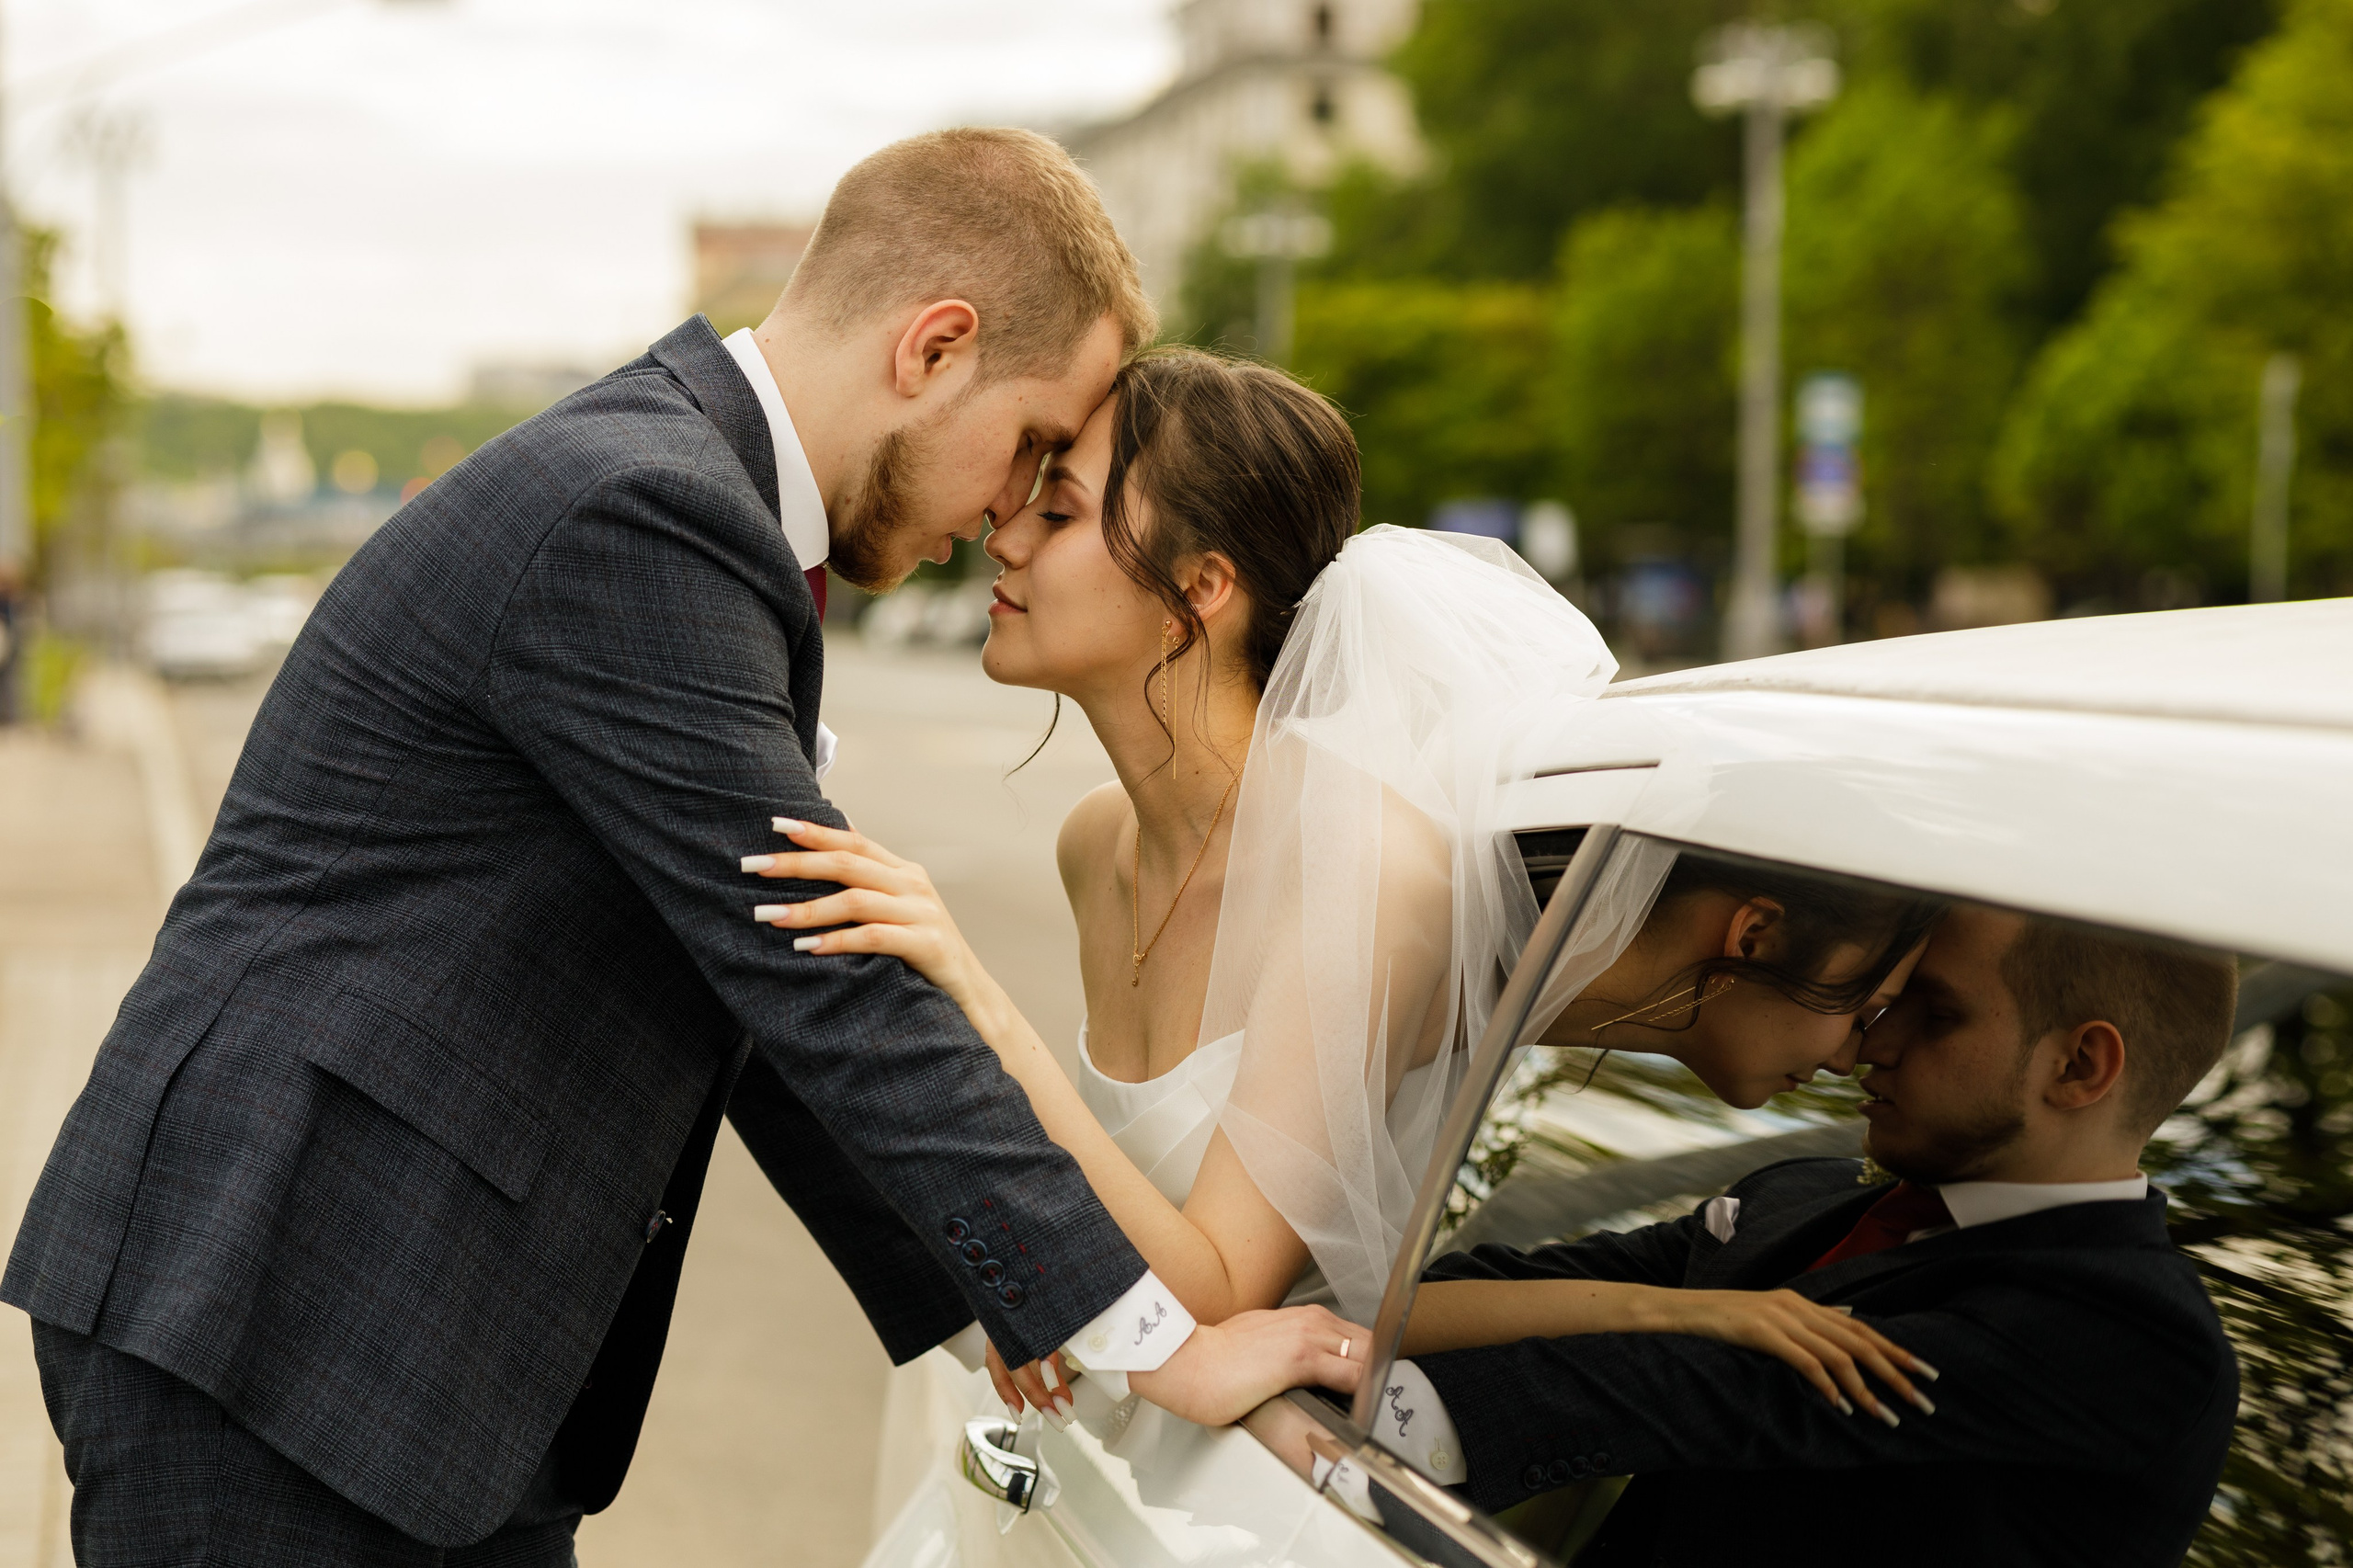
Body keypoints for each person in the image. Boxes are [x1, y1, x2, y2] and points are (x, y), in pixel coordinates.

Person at [4, 129, 1238, 1565]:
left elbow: (756, 980)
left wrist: (998, 1309)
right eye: (1029, 444)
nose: (1008, 511)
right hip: (281, 1326)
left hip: (414, 1370)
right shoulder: (644, 509)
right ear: (935, 347)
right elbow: (824, 984)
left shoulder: (691, 502)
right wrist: (1151, 1339)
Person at [748, 347, 1942, 1431]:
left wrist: (976, 997)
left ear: (1200, 586)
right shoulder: (1094, 843)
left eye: (1056, 512)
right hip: (1092, 1433)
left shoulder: (1368, 860)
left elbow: (1228, 1288)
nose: (1002, 537)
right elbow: (1304, 1285)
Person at [1361, 904, 2240, 1568]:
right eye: (1886, 1002)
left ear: (2080, 1066)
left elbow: (1687, 1389)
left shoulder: (2135, 1335)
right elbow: (1475, 1297)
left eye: (1934, 1013)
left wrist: (1362, 1412)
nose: (1871, 1045)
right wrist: (1326, 1338)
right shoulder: (1800, 1192)